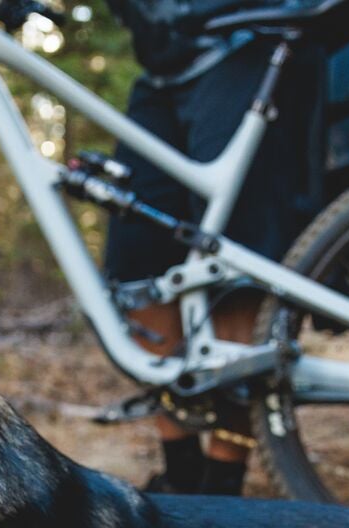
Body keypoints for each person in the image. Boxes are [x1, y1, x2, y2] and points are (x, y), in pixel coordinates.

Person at [101, 0, 325, 495]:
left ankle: (223, 481)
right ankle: (180, 472)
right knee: (138, 262)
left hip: (246, 38)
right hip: (161, 63)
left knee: (236, 269)